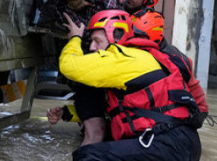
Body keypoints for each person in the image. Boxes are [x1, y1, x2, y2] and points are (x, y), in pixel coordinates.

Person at [52, 10, 202, 161]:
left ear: (115, 37)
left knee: (89, 156)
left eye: (97, 41)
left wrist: (75, 38)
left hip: (168, 144)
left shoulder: (123, 58)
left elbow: (69, 67)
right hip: (179, 144)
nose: (91, 47)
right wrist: (67, 113)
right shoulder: (137, 59)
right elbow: (121, 112)